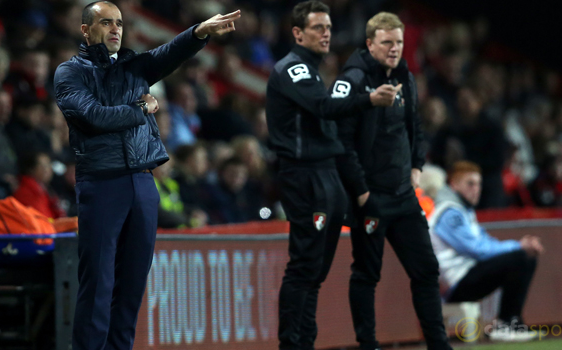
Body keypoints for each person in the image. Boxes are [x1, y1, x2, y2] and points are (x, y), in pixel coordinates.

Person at [52, 2, 241, 349]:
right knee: (98, 285)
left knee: (132, 288)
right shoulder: (69, 73)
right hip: (102, 182)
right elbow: (94, 117)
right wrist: (140, 108)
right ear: (85, 30)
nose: (115, 29)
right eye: (106, 22)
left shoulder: (134, 66)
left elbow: (169, 52)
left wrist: (199, 31)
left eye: (119, 23)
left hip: (142, 183)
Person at [265, 2, 397, 349]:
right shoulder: (293, 69)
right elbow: (323, 108)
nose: (327, 33)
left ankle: (304, 341)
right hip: (304, 175)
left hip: (326, 174)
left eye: (328, 27)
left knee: (316, 272)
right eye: (318, 27)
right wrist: (369, 99)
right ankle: (292, 344)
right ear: (297, 33)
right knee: (305, 267)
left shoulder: (310, 70)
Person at [333, 12, 452, 350]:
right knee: (367, 274)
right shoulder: (352, 80)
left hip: (403, 194)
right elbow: (341, 142)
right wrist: (361, 192)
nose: (395, 48)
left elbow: (415, 126)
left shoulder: (405, 77)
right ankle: (367, 344)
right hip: (370, 198)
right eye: (387, 42)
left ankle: (438, 344)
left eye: (399, 42)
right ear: (370, 43)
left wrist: (416, 166)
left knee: (427, 269)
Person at [429, 161, 543, 341]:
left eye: (479, 183)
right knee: (521, 257)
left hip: (466, 277)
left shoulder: (463, 210)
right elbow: (477, 250)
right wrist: (518, 246)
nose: (477, 189)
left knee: (525, 256)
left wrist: (518, 246)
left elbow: (485, 242)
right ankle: (506, 324)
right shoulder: (449, 212)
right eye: (470, 183)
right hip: (455, 285)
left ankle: (511, 322)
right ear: (454, 184)